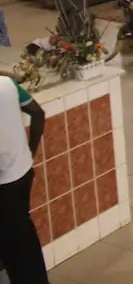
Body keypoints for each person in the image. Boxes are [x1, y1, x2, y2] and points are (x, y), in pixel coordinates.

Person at [0, 74, 47, 283]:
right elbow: (38, 113)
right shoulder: (7, 84)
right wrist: (29, 153)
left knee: (15, 248)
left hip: (4, 183)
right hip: (22, 173)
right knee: (22, 235)